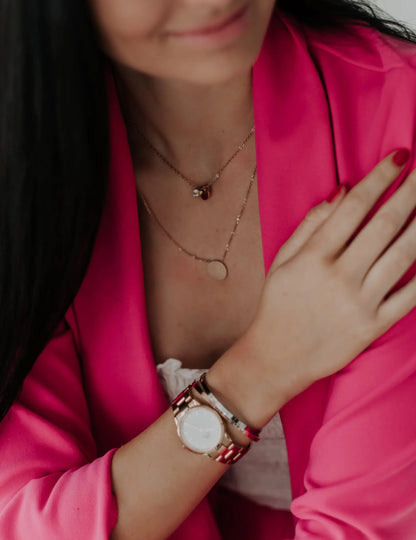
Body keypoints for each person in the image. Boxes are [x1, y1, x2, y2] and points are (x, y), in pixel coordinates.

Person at [1, 1, 416, 538]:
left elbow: (362, 529)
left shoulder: (394, 120)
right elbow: (28, 520)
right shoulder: (22, 168)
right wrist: (262, 368)